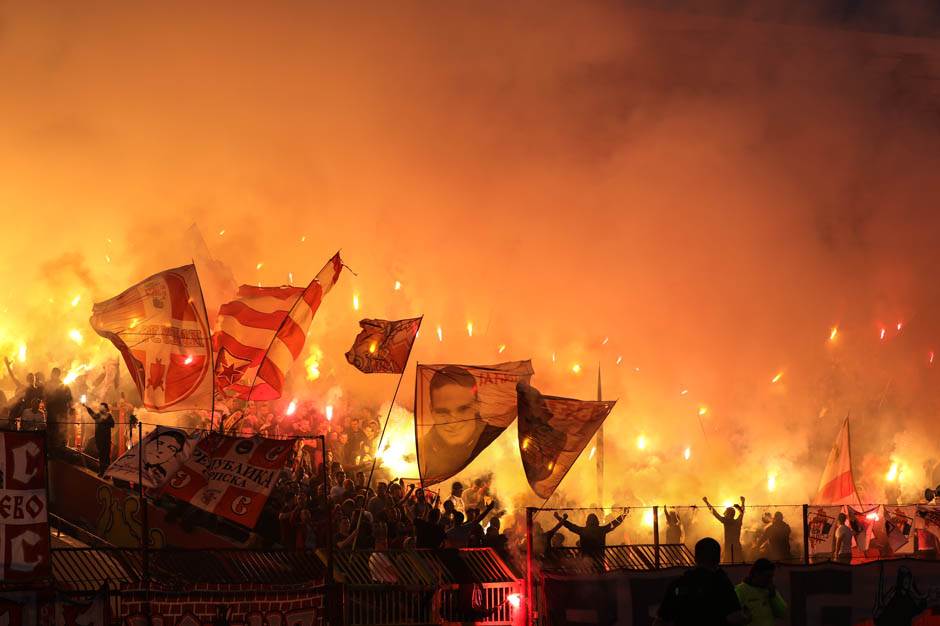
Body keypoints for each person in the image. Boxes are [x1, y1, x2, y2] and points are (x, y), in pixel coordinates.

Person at [418, 366, 502, 482]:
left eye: (463, 410)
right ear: (432, 410)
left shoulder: (499, 443)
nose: (453, 421)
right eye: (443, 412)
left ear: (477, 405)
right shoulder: (419, 452)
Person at [655, 537, 748, 626]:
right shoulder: (721, 584)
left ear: (696, 558)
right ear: (718, 559)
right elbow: (735, 617)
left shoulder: (678, 584)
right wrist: (746, 617)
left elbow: (661, 621)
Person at [734, 559, 787, 626]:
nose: (770, 580)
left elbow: (783, 613)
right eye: (767, 576)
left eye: (772, 576)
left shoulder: (770, 590)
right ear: (756, 574)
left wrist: (773, 596)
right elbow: (732, 617)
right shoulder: (740, 590)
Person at [554, 510, 626, 559]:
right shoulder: (601, 530)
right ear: (597, 522)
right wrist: (624, 514)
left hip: (586, 561)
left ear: (587, 522)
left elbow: (570, 526)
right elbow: (615, 523)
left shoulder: (583, 531)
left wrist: (559, 518)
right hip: (600, 560)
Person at [703, 496, 745, 563]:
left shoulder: (726, 521)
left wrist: (706, 502)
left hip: (728, 547)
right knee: (738, 563)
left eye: (725, 512)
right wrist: (742, 502)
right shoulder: (738, 522)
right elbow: (742, 513)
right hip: (737, 547)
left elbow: (715, 513)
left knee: (727, 563)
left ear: (728, 514)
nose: (724, 514)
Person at [44, 367, 72, 451]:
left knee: (60, 431)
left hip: (60, 412)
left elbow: (69, 398)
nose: (52, 375)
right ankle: (51, 449)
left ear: (57, 375)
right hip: (51, 412)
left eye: (54, 373)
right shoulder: (48, 384)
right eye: (52, 373)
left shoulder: (63, 385)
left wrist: (70, 408)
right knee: (52, 431)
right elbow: (44, 396)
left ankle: (61, 449)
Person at [83, 402, 115, 476]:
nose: (100, 408)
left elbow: (112, 424)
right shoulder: (98, 415)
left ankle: (107, 473)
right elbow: (92, 414)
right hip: (99, 439)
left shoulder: (109, 416)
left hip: (106, 439)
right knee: (101, 455)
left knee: (106, 456)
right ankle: (101, 472)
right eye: (100, 406)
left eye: (102, 407)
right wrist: (87, 407)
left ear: (106, 408)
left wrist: (104, 419)